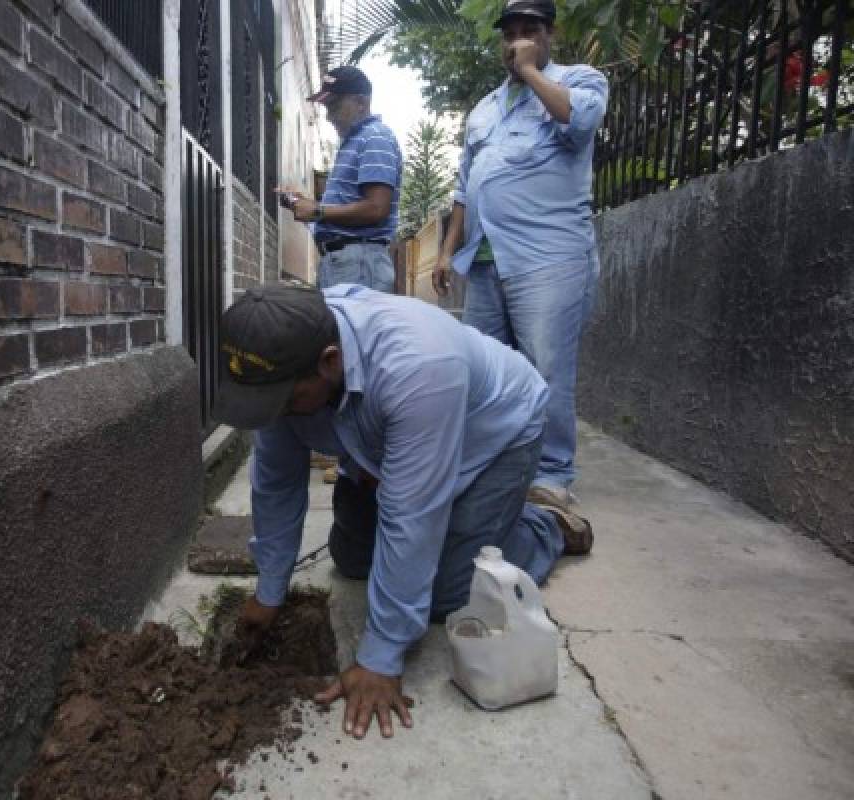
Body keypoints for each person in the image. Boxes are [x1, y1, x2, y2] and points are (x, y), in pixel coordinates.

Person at [212, 284, 591, 740]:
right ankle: (468, 514)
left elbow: (412, 516)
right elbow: (275, 485)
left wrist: (381, 654)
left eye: (287, 401)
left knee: (445, 595)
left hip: (495, 434)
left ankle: (544, 523)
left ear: (330, 362)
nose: (278, 415)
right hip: (394, 444)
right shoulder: (285, 357)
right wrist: (269, 592)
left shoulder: (418, 365)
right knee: (353, 561)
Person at [433, 0, 608, 512]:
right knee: (488, 369)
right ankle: (496, 464)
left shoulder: (581, 80)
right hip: (486, 262)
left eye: (528, 30)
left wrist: (530, 71)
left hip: (550, 258)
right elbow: (466, 188)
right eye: (509, 33)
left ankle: (553, 474)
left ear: (549, 35)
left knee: (546, 368)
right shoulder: (485, 107)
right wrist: (447, 251)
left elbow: (577, 121)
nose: (515, 41)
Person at [279, 65, 403, 293]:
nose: (328, 117)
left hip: (359, 264)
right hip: (346, 263)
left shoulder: (375, 138)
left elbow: (376, 208)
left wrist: (318, 211)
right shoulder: (356, 141)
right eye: (326, 108)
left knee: (351, 330)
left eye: (334, 106)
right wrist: (302, 204)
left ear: (361, 103)